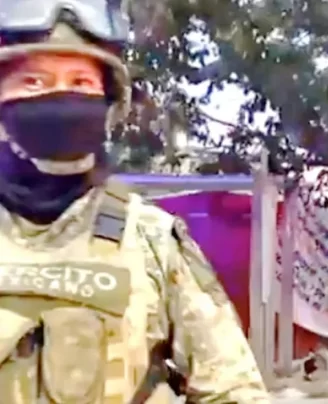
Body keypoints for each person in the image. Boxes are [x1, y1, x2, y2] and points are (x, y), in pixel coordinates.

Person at [0, 2, 270, 403]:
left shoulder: (151, 239)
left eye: (80, 82)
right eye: (33, 82)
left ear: (110, 106)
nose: (60, 97)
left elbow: (233, 390)